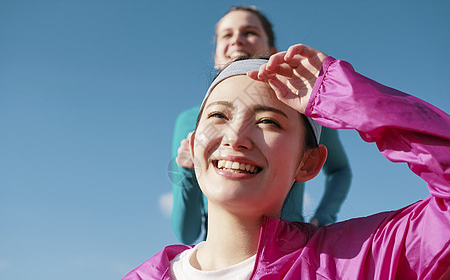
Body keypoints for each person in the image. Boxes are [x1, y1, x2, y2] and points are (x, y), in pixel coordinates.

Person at [124, 44, 450, 279]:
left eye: (269, 121)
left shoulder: (361, 260)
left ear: (308, 162)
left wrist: (335, 92)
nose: (236, 137)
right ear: (194, 147)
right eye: (219, 115)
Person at [171, 6, 352, 245]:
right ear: (216, 57)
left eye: (249, 32)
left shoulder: (304, 114)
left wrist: (323, 218)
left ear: (273, 52)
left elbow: (340, 170)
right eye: (226, 35)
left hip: (292, 254)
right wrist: (187, 169)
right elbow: (186, 233)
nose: (236, 40)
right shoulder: (190, 121)